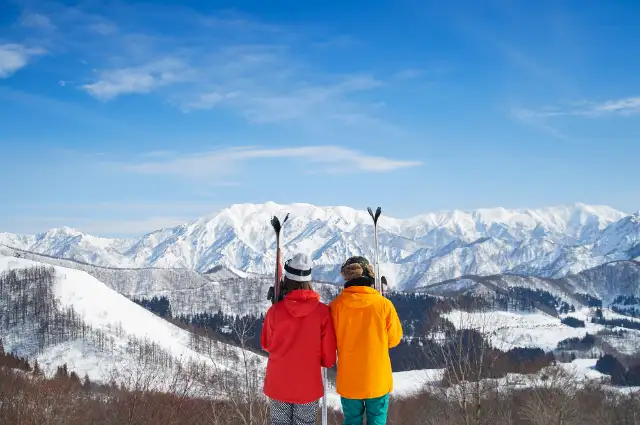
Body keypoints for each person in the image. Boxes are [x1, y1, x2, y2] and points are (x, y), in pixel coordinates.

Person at [261, 253, 337, 425]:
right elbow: (329, 359)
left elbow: (266, 344)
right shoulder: (322, 312)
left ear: (286, 280)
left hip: (278, 384)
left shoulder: (275, 311)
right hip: (308, 387)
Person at [329, 256, 403, 425]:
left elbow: (330, 343)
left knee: (351, 420)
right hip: (378, 380)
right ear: (369, 275)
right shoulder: (384, 305)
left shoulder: (335, 307)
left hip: (349, 381)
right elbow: (394, 340)